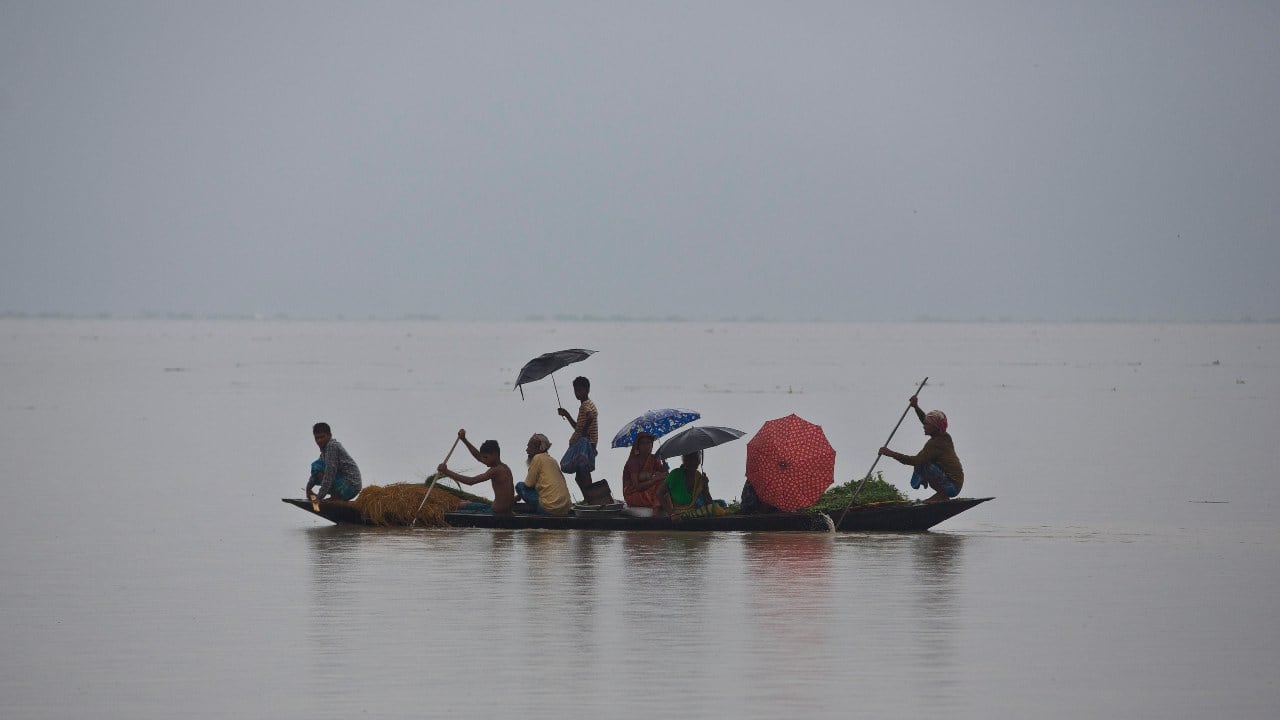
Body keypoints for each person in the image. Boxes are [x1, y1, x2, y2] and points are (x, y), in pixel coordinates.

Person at [878, 395, 964, 503]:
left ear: (935, 427)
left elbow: (914, 461)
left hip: (952, 488)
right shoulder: (944, 436)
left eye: (927, 425)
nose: (924, 426)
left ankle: (942, 496)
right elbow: (926, 420)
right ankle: (940, 493)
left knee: (922, 464)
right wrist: (916, 407)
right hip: (952, 483)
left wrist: (891, 454)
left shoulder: (935, 444)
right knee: (923, 463)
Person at [436, 429, 515, 514]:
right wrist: (464, 439)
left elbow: (471, 481)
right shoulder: (504, 467)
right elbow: (478, 456)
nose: (483, 460)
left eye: (486, 457)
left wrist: (446, 471)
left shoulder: (497, 470)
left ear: (495, 454)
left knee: (455, 511)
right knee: (462, 504)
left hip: (495, 513)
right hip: (493, 508)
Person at [557, 376, 598, 494]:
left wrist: (584, 433)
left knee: (583, 473)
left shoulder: (585, 405)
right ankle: (589, 498)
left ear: (587, 390)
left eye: (580, 390)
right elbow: (578, 428)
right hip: (586, 442)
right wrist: (567, 414)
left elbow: (589, 418)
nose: (577, 393)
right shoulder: (589, 404)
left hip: (584, 444)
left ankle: (591, 498)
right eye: (575, 390)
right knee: (580, 475)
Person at [515, 433, 572, 516]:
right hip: (565, 508)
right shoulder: (553, 460)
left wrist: (518, 495)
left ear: (538, 448)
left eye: (529, 447)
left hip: (549, 508)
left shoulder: (537, 458)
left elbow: (528, 484)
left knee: (520, 486)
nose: (527, 450)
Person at [306, 422, 362, 501]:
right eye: (316, 438)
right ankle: (335, 495)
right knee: (317, 466)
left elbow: (329, 474)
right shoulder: (324, 452)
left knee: (317, 465)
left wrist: (319, 497)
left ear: (330, 435)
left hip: (350, 487)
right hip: (345, 486)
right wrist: (308, 489)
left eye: (322, 437)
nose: (319, 441)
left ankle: (335, 496)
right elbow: (316, 473)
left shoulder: (332, 446)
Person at [656, 452, 718, 518]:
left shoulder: (699, 477)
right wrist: (672, 514)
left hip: (692, 515)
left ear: (699, 460)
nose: (693, 462)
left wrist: (705, 487)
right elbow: (659, 493)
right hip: (675, 516)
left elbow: (709, 504)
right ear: (684, 460)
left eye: (696, 458)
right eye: (690, 458)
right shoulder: (675, 474)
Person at [621, 431, 668, 511]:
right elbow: (637, 487)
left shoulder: (654, 459)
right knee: (659, 488)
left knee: (666, 483)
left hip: (650, 489)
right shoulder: (633, 462)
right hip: (633, 493)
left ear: (652, 444)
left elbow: (665, 476)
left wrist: (664, 466)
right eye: (642, 443)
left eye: (648, 442)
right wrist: (654, 480)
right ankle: (657, 512)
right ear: (637, 446)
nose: (646, 446)